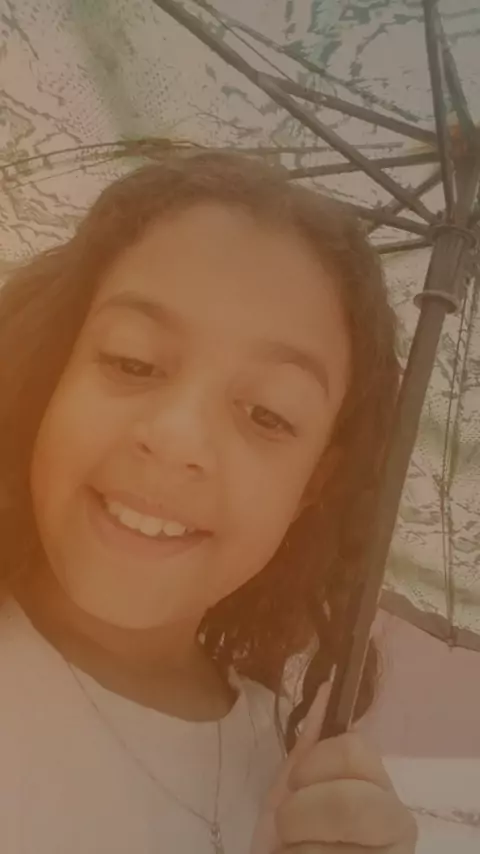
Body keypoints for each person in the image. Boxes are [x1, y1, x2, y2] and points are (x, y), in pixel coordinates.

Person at [0, 151, 417, 854]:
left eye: (268, 414)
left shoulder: (292, 771)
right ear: (52, 370)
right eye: (133, 362)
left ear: (313, 486)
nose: (176, 440)